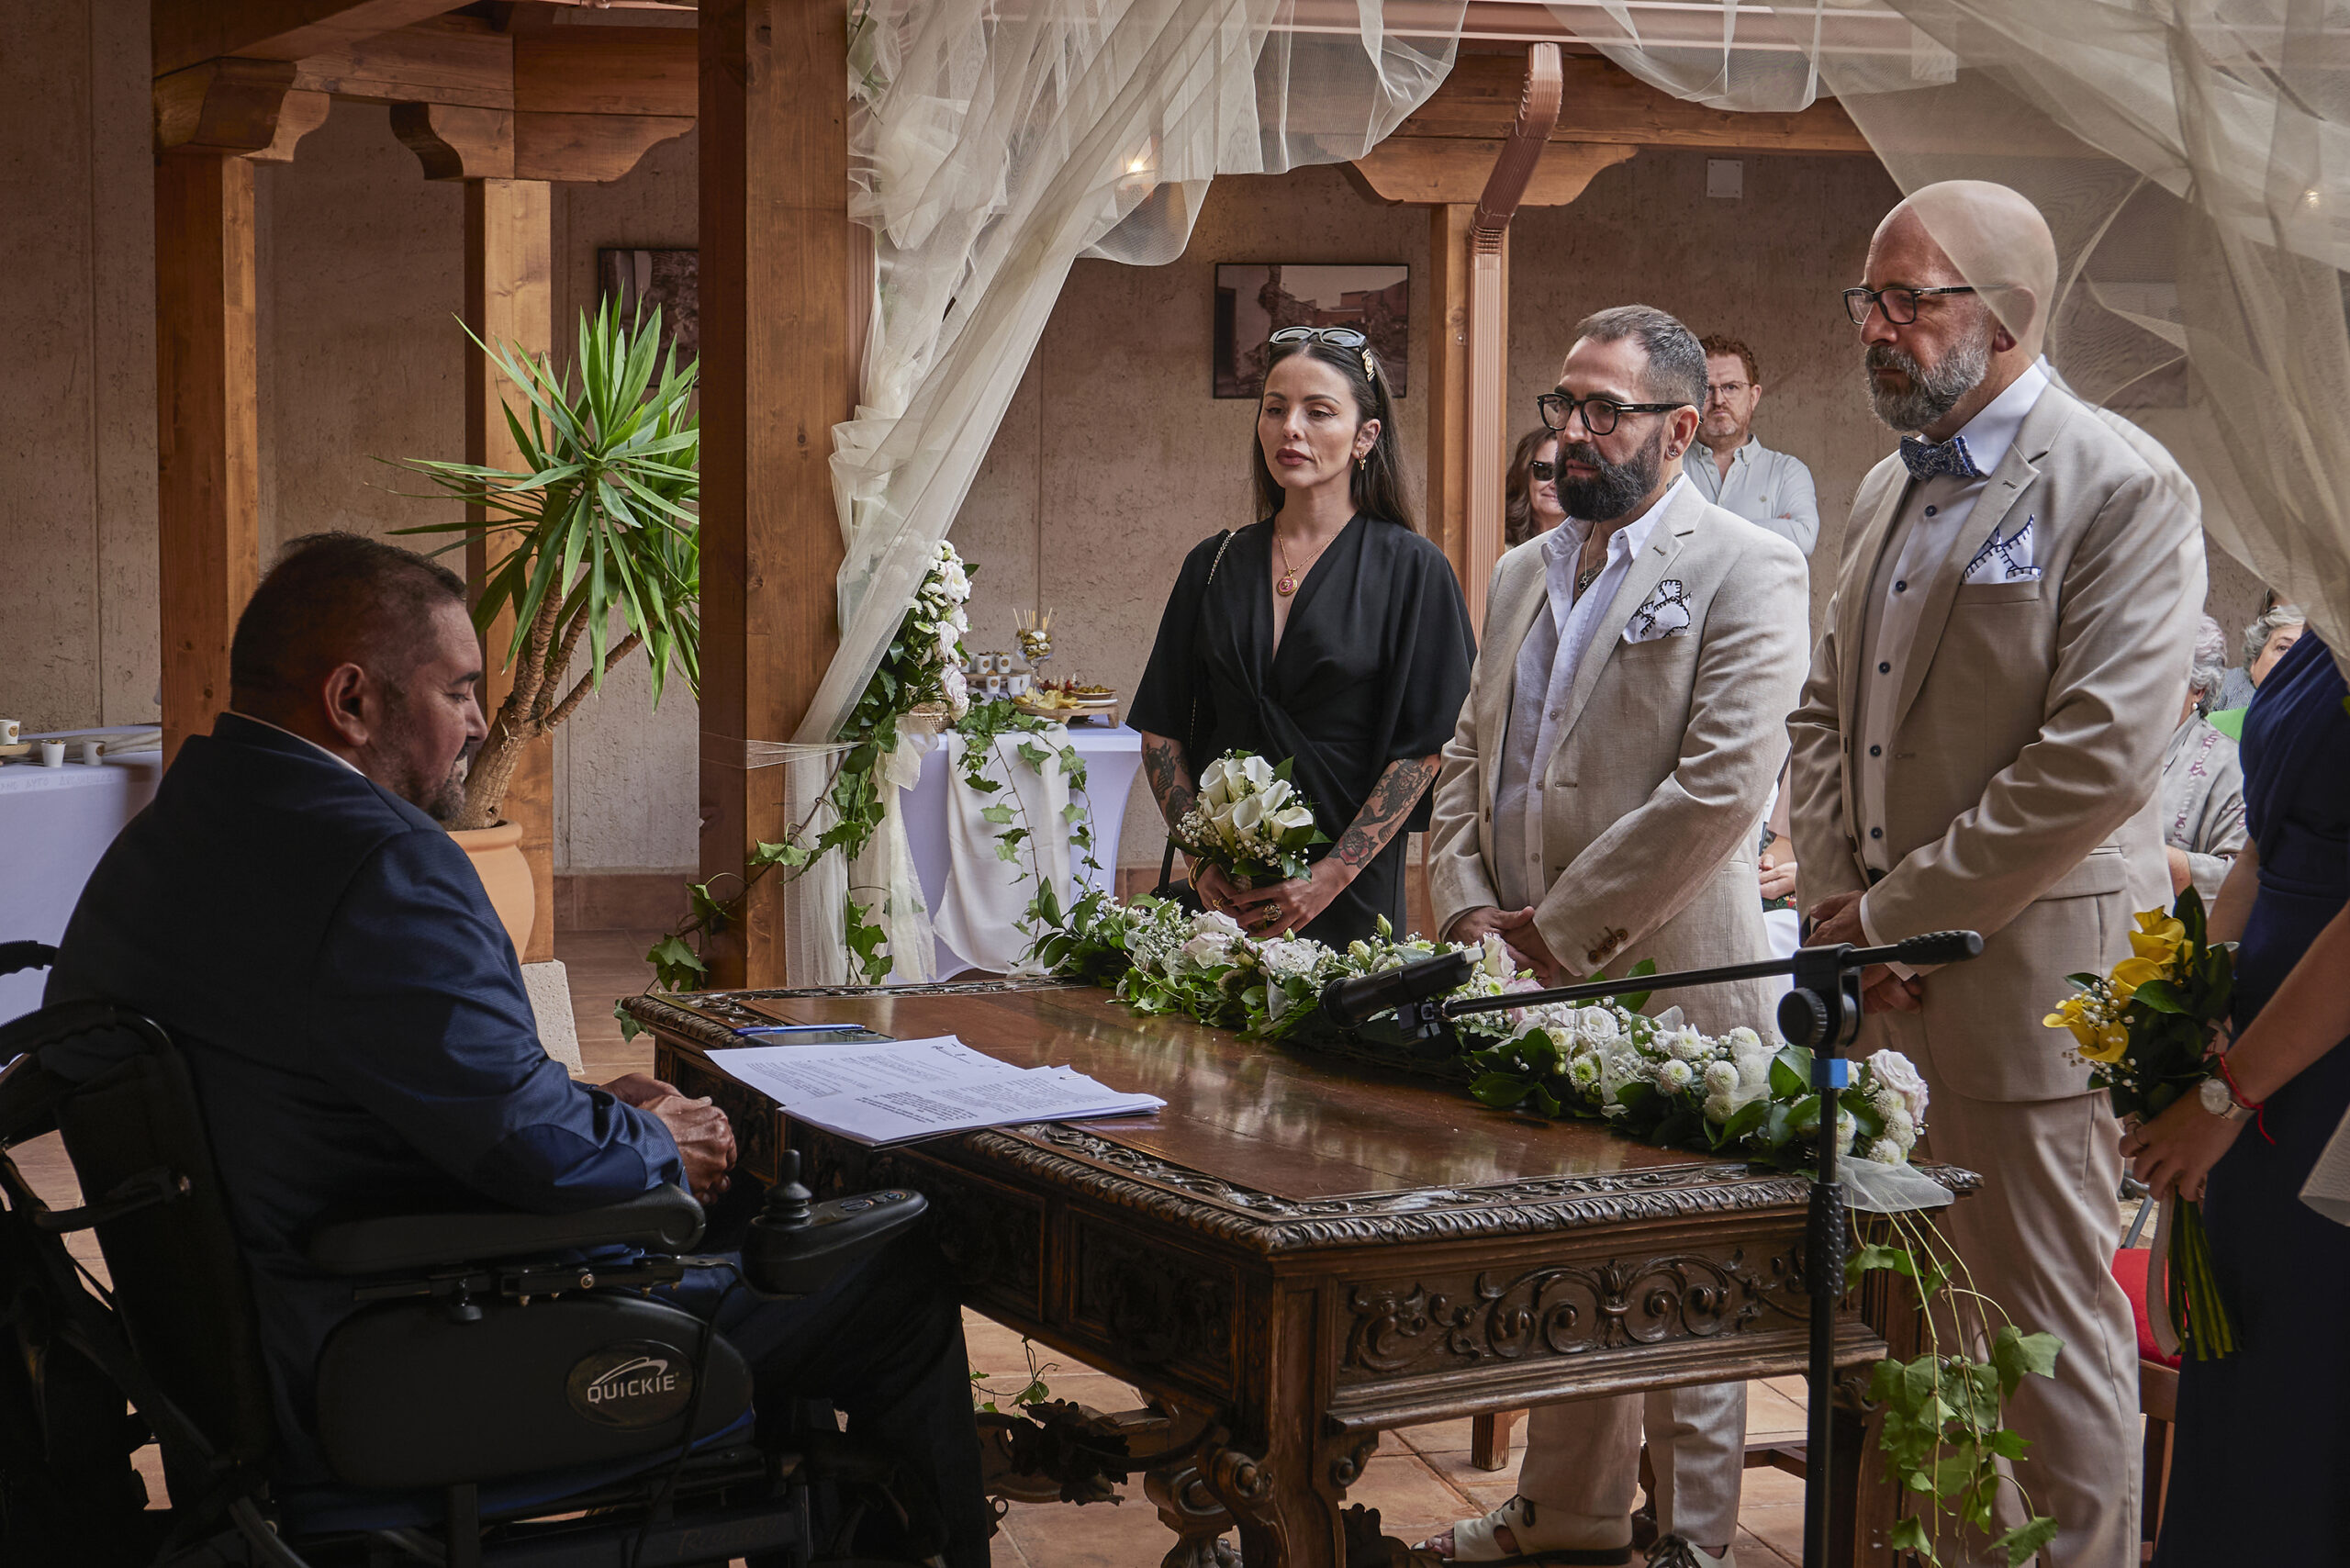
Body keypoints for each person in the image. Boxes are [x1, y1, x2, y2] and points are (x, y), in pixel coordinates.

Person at [43, 533, 990, 1567]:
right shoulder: (380, 864)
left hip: (247, 1366)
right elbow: (536, 1153)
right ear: (351, 700)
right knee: (883, 1274)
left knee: (768, 1231)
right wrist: (655, 1142)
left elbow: (366, 1081)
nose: (479, 723)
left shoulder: (169, 839)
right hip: (397, 1356)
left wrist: (588, 1108)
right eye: (457, 690)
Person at [1786, 182, 2204, 1568]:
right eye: (1869, 299)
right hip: (1883, 994)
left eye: (1911, 299)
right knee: (1916, 1341)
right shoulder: (1880, 487)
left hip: (2027, 995)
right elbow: (1821, 716)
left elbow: (2096, 760)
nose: (1877, 327)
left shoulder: (2123, 484)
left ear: (2012, 313)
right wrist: (1849, 919)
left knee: (2043, 1342)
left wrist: (1899, 916)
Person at [1423, 306, 1810, 1568]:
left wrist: (1561, 930)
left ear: (1681, 429)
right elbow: (1471, 754)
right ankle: (1569, 1516)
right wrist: (1465, 906)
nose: (1573, 431)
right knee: (1564, 1270)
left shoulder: (1748, 564)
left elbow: (1721, 786)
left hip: (1679, 977)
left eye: (1605, 410)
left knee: (1684, 1284)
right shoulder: (1520, 570)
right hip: (1528, 979)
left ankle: (1695, 1538)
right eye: (1564, 405)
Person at [1129, 326, 1476, 944]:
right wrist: (1199, 858)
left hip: (1346, 891)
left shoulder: (1413, 570)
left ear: (1366, 436)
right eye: (1275, 408)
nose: (1290, 428)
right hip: (1222, 894)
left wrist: (1330, 877)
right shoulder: (1214, 563)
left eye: (1318, 412)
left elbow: (1426, 749)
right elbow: (1162, 727)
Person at [2126, 629, 2350, 1562]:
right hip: (2252, 1050)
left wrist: (2227, 1098)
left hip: (2323, 1073)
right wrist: (2198, 1012)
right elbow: (2261, 843)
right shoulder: (2324, 635)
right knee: (2242, 1357)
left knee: (2309, 1374)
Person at [1680, 335, 1820, 556]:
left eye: (1731, 387)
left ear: (1753, 397)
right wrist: (1769, 530)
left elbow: (1802, 539)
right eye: (1706, 389)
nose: (1718, 400)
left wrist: (1697, 536)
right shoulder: (1668, 470)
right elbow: (1652, 543)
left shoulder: (1787, 472)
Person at [2159, 616, 2247, 900]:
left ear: (2198, 688)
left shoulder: (2229, 764)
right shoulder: (2099, 741)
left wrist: (2137, 854)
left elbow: (2238, 878)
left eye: (2159, 674)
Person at [2210, 599, 2305, 736]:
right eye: (2283, 648)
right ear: (2255, 661)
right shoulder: (2210, 727)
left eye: (2305, 652)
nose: (2293, 660)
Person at [1505, 426, 1568, 547]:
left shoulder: (1592, 548)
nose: (1555, 484)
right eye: (1545, 471)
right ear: (1524, 474)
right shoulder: (1497, 542)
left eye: (1565, 474)